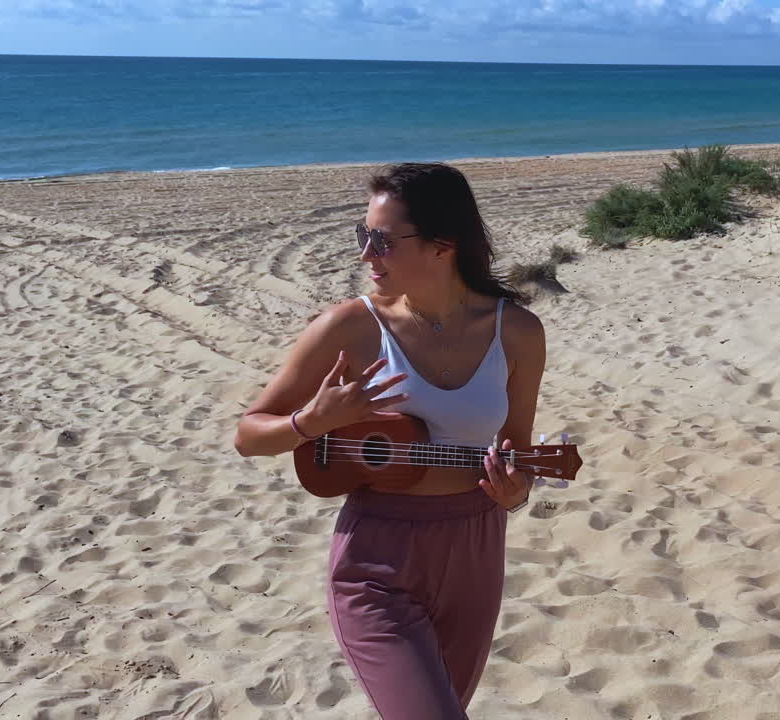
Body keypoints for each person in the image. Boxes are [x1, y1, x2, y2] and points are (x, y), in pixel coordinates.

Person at [233, 162, 547, 719]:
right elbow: (249, 434)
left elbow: (517, 454)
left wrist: (514, 492)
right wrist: (313, 422)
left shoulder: (518, 332)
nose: (365, 255)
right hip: (376, 560)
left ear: (441, 245)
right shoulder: (348, 328)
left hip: (476, 547)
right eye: (363, 236)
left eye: (380, 240)